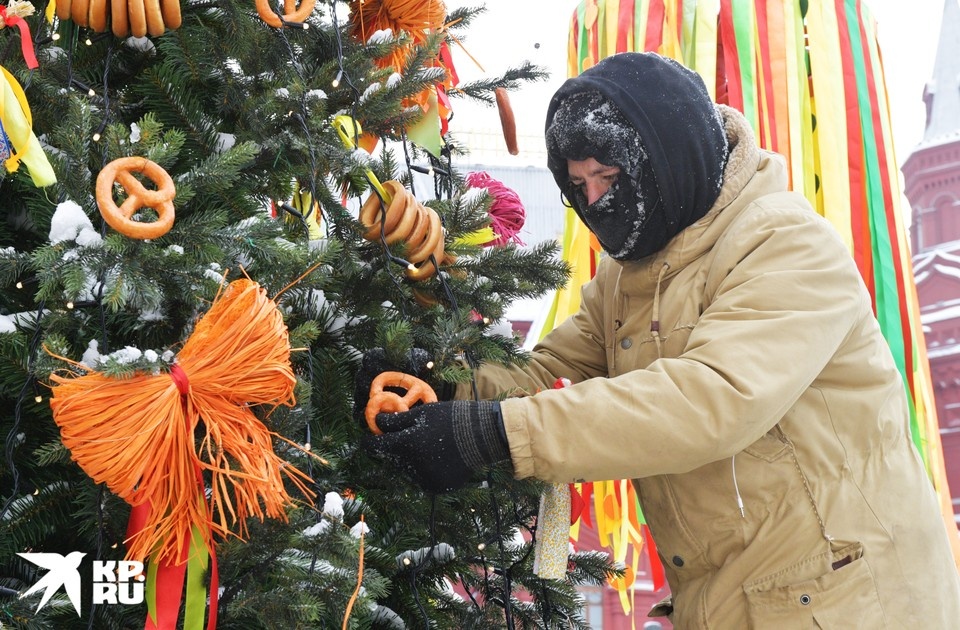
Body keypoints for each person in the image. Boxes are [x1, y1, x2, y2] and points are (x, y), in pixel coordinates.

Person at [356, 52, 960, 627]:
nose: (594, 202)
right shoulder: (629, 275)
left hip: (850, 601)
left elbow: (707, 401)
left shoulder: (785, 243)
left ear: (669, 157)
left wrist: (497, 434)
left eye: (608, 177)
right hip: (733, 599)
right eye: (577, 184)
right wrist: (441, 386)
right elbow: (549, 369)